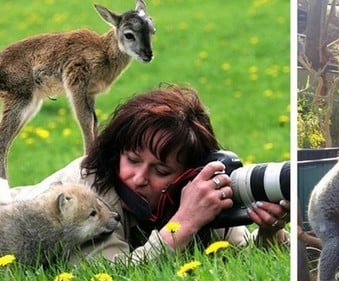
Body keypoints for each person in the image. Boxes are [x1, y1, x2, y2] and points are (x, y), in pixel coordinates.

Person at [10, 85, 290, 264]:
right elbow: (110, 280)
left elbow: (242, 255)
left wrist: (269, 233)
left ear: (188, 175)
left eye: (161, 170)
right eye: (132, 159)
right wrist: (183, 223)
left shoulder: (194, 190)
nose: (139, 177)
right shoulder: (84, 198)